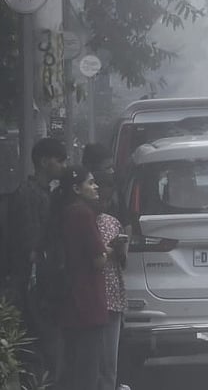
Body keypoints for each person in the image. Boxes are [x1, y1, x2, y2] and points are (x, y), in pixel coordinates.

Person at [5, 137, 69, 380]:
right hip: (33, 289)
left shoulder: (44, 194)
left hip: (43, 287)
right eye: (60, 160)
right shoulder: (28, 196)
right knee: (43, 351)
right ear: (44, 162)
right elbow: (31, 247)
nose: (64, 165)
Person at [51, 167, 110, 390]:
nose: (96, 187)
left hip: (69, 301)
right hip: (88, 303)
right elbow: (98, 260)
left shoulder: (63, 212)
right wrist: (110, 251)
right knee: (87, 372)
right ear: (76, 188)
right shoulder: (83, 213)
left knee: (72, 369)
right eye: (91, 183)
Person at [93, 168, 128, 390]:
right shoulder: (80, 220)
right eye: (101, 197)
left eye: (108, 198)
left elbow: (122, 264)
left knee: (109, 362)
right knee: (92, 360)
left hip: (113, 298)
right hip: (91, 299)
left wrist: (120, 250)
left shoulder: (113, 222)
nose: (104, 202)